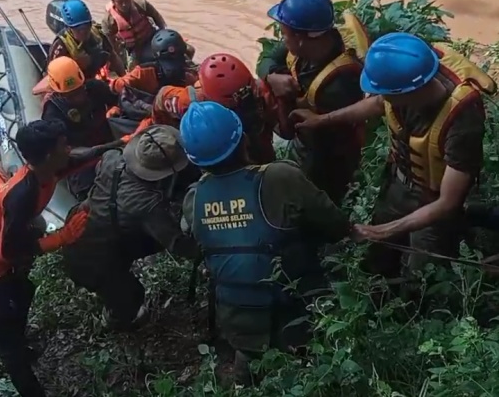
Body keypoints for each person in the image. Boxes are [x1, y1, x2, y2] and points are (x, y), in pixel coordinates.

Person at [295, 32, 497, 277]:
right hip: (398, 183)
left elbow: (448, 202)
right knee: (378, 260)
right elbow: (379, 103)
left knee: (423, 275)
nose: (383, 98)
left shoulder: (462, 118)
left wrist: (383, 231)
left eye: (388, 93)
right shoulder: (406, 87)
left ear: (409, 92)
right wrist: (321, 121)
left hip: (434, 201)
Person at [180, 101, 351, 385]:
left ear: (194, 160)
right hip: (294, 312)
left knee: (251, 367)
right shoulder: (279, 177)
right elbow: (337, 226)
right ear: (243, 139)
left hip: (235, 318)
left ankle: (244, 379)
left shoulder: (193, 199)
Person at [0, 119, 102, 397]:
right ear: (46, 156)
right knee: (9, 340)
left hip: (11, 266)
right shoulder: (21, 196)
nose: (67, 148)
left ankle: (19, 340)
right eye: (62, 146)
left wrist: (121, 143)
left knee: (22, 293)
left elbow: (79, 158)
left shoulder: (46, 172)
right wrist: (61, 238)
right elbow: (8, 250)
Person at [62, 125, 199, 331]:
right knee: (130, 298)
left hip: (80, 221)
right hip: (91, 258)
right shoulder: (145, 204)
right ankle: (115, 318)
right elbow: (177, 243)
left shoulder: (111, 159)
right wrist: (207, 248)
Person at [258, 0, 369, 204]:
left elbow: (294, 132)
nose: (283, 39)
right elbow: (267, 58)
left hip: (328, 150)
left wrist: (284, 101)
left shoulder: (339, 82)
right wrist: (272, 77)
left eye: (284, 33)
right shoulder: (307, 44)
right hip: (311, 136)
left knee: (319, 192)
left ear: (300, 37)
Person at [152, 53, 286, 163]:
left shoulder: (263, 95)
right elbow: (162, 99)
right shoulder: (189, 102)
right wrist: (164, 131)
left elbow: (285, 131)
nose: (242, 99)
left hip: (256, 148)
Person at [41, 56, 120, 200]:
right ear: (58, 94)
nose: (78, 98)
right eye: (70, 96)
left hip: (111, 145)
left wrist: (114, 109)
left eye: (79, 91)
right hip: (83, 162)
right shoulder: (53, 114)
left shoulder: (95, 88)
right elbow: (62, 153)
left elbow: (118, 101)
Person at [48, 0, 126, 79]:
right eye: (79, 29)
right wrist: (75, 65)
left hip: (94, 78)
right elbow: (53, 76)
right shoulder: (61, 46)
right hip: (74, 83)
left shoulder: (98, 35)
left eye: (87, 26)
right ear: (69, 28)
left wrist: (125, 78)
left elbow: (113, 57)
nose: (84, 32)